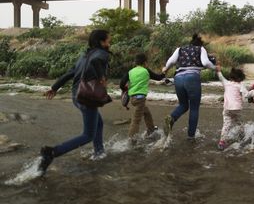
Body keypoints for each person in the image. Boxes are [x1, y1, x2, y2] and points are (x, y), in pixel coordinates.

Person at [39, 29, 112, 175]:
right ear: (101, 42)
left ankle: (99, 152)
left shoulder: (83, 55)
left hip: (76, 96)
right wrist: (101, 77)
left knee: (99, 123)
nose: (109, 43)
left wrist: (54, 88)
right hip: (87, 97)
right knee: (87, 135)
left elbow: (69, 73)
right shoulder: (101, 54)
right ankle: (53, 152)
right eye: (108, 40)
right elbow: (97, 62)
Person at [162, 34, 216, 139]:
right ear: (200, 44)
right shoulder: (201, 49)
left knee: (183, 105)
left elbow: (171, 61)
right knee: (194, 108)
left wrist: (166, 69)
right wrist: (214, 68)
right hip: (192, 78)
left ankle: (172, 118)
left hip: (178, 78)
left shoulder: (180, 49)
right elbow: (205, 62)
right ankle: (191, 136)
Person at [119, 53, 165, 140]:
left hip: (133, 98)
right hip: (140, 99)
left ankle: (151, 130)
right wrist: (164, 72)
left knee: (147, 113)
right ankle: (131, 140)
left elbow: (121, 84)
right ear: (145, 62)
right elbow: (159, 78)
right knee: (136, 120)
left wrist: (125, 88)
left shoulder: (130, 71)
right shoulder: (146, 70)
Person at [216, 66, 248, 150]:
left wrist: (219, 70)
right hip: (236, 109)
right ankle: (242, 136)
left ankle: (222, 142)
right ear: (240, 78)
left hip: (227, 108)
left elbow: (221, 77)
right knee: (239, 122)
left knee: (226, 125)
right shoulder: (240, 85)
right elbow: (247, 95)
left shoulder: (226, 83)